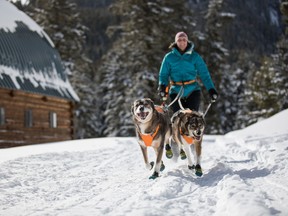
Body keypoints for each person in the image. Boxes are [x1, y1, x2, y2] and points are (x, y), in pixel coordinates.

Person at [158, 31, 218, 159]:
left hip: (192, 90)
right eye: (179, 40)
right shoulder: (169, 57)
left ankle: (193, 147)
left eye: (184, 39)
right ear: (176, 42)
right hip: (176, 90)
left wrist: (211, 90)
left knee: (192, 119)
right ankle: (178, 147)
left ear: (187, 41)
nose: (182, 42)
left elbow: (204, 74)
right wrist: (162, 86)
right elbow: (163, 75)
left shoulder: (195, 57)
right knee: (178, 119)